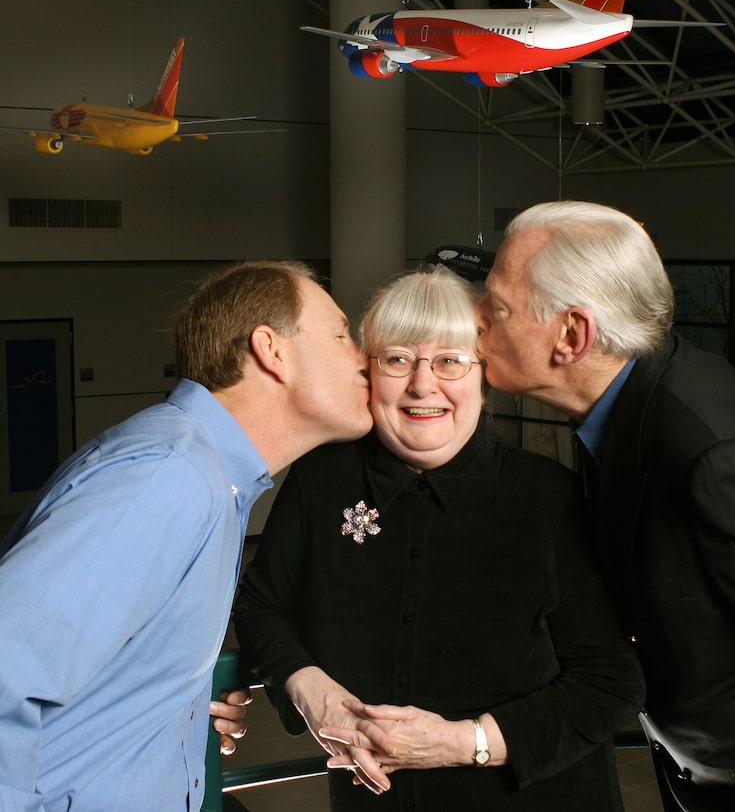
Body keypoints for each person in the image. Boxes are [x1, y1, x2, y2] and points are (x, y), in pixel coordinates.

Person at [233, 266, 645, 811]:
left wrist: (463, 742)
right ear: (368, 372)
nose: (422, 385)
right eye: (397, 359)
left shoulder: (548, 497)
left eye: (450, 361)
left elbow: (611, 682)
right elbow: (262, 604)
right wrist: (308, 688)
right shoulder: (322, 480)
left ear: (482, 374)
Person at [474, 200, 735, 812]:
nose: (475, 317)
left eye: (498, 307)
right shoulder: (622, 407)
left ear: (572, 336)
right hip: (712, 782)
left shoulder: (717, 452)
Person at [0, 260, 373, 812]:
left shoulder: (214, 478)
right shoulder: (169, 477)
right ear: (273, 351)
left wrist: (181, 707)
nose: (365, 360)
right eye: (343, 336)